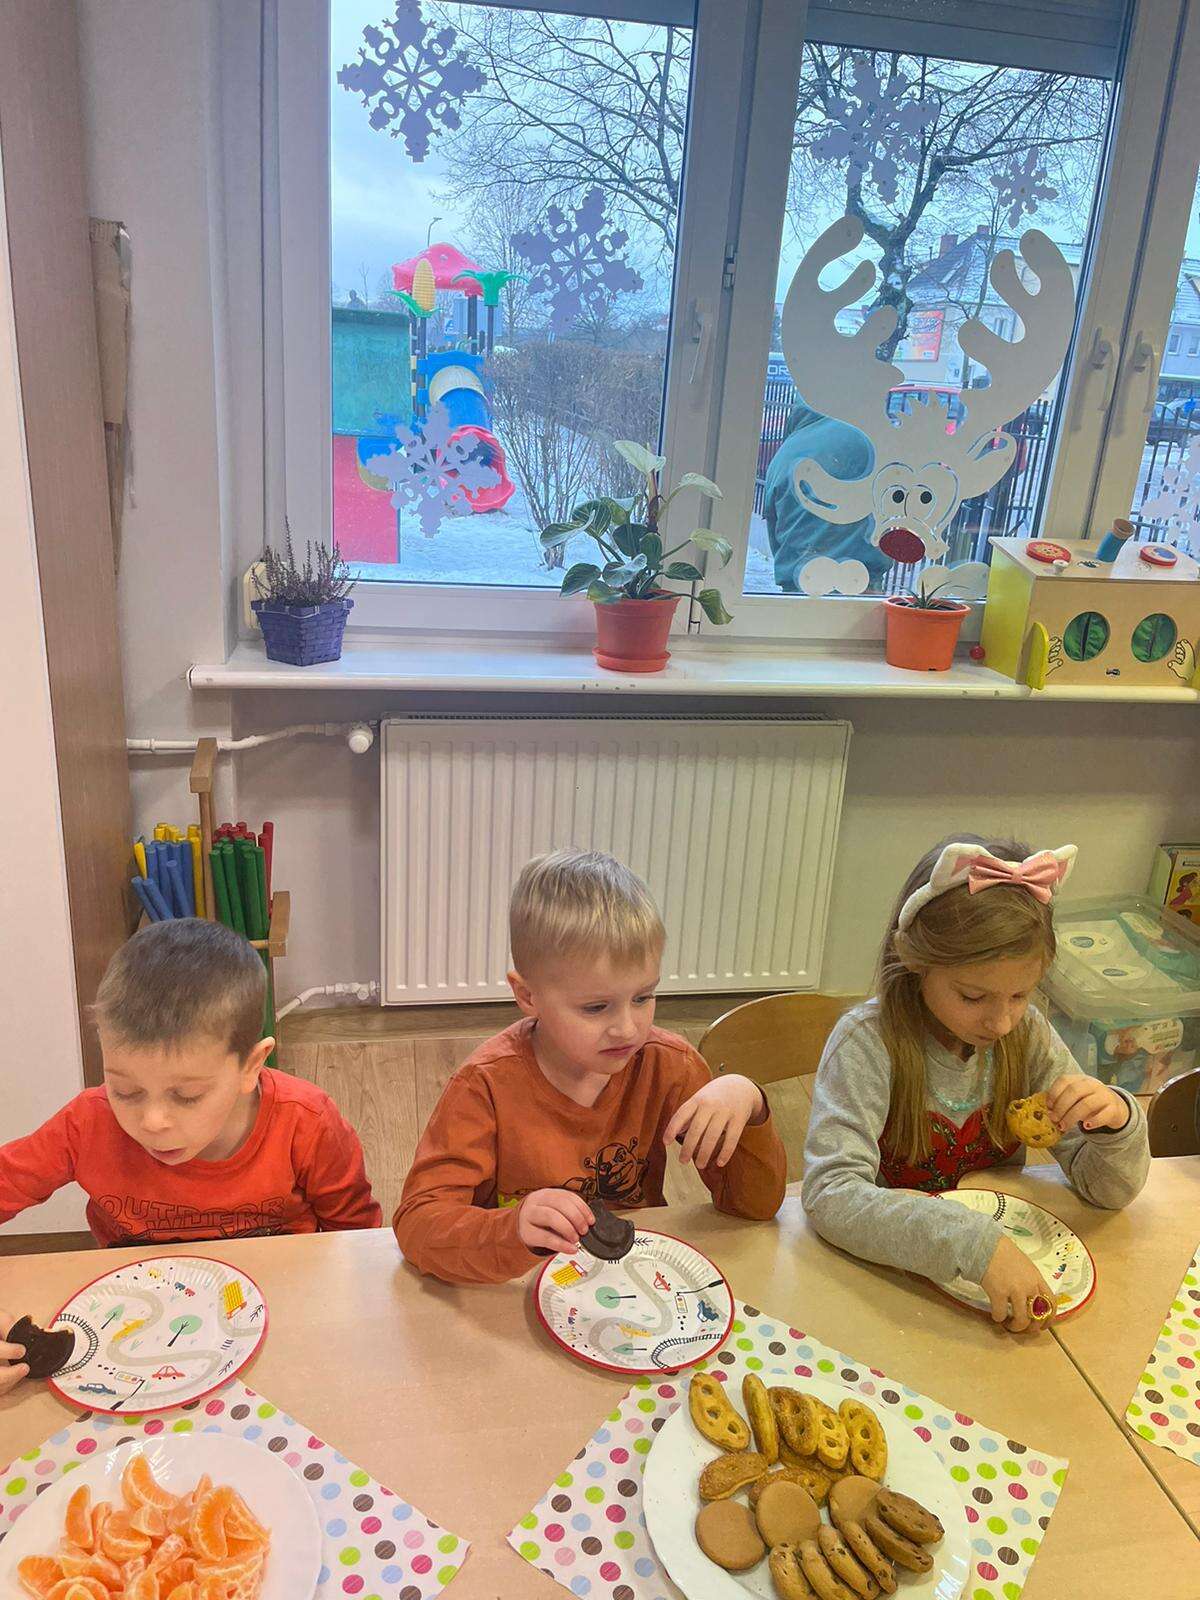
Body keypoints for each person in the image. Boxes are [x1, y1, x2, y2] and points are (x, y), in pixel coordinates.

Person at [802, 835, 1150, 1333]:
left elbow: (1107, 1192)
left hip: (995, 1288)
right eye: (972, 997)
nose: (1001, 1022)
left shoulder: (1029, 1036)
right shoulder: (868, 1043)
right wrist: (971, 1242)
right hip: (892, 1287)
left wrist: (1114, 1125)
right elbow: (831, 1194)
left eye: (1020, 995)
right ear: (913, 958)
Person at [394, 849, 787, 1283]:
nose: (627, 1028)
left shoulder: (669, 1066)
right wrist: (512, 1227)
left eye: (643, 997)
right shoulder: (485, 1086)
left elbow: (753, 1207)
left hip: (634, 1286)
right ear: (527, 996)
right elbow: (418, 1225)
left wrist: (748, 1101)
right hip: (520, 1285)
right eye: (596, 1007)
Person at [0, 920, 382, 1250]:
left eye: (187, 1096)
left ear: (251, 1066)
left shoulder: (306, 1121)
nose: (152, 1121)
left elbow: (355, 1239)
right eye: (126, 1091)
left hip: (279, 1290)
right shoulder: (87, 1123)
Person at [762, 401, 888, 591]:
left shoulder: (785, 454)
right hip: (862, 583)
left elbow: (775, 528)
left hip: (800, 584)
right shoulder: (871, 442)